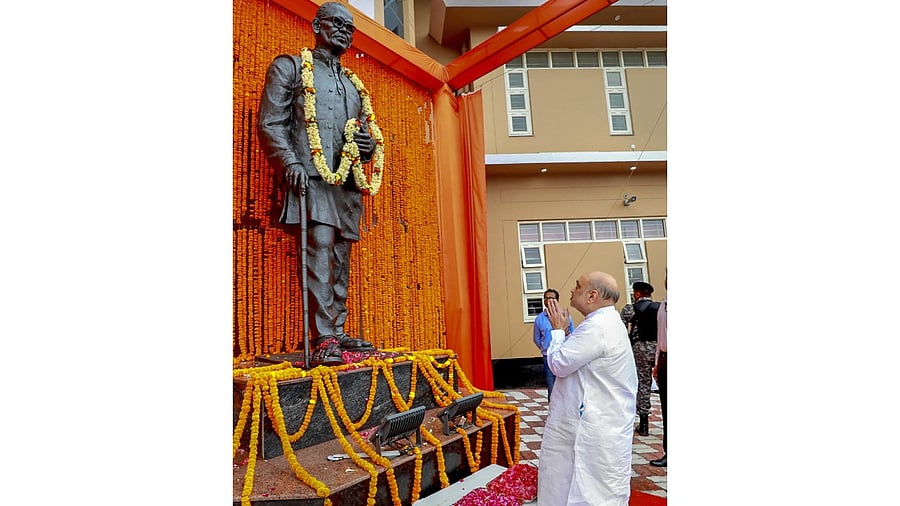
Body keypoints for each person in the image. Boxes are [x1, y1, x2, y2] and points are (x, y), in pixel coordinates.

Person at [258, 2, 380, 366]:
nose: (344, 30)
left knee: (340, 254)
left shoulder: (353, 85)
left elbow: (362, 134)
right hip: (310, 177)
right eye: (337, 23)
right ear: (316, 25)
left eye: (350, 28)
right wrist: (290, 162)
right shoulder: (291, 67)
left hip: (345, 184)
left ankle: (338, 329)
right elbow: (270, 123)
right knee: (320, 247)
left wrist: (367, 145)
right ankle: (324, 336)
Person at [537, 272, 638, 505]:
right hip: (600, 419)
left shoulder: (598, 326)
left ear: (592, 295)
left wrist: (558, 331)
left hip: (596, 424)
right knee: (585, 482)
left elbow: (559, 364)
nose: (572, 290)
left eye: (577, 286)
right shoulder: (603, 322)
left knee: (590, 487)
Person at [619, 281, 659, 436]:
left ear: (636, 294)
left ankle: (643, 424)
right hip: (659, 350)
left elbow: (620, 329)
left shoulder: (630, 309)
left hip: (639, 351)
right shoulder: (660, 308)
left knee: (643, 384)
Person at [533, 288, 575, 399]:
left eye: (551, 298)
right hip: (548, 357)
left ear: (557, 300)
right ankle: (553, 414)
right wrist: (545, 348)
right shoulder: (539, 319)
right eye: (545, 298)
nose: (548, 300)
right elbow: (537, 338)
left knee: (566, 387)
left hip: (564, 356)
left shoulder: (565, 317)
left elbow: (572, 334)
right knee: (552, 387)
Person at [650, 275, 667, 467]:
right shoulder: (663, 304)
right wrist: (657, 363)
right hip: (664, 358)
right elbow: (660, 336)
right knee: (666, 408)